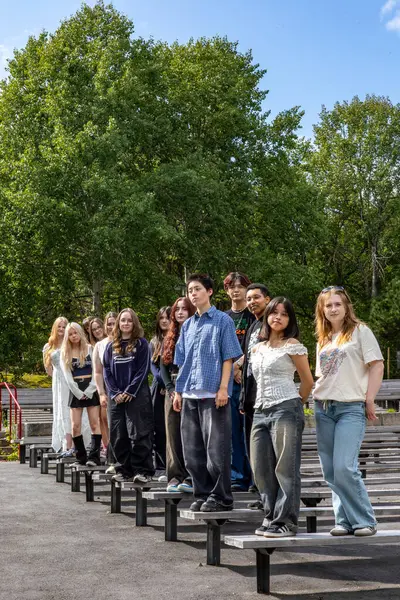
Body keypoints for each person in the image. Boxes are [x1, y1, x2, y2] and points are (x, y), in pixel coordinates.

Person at [313, 286, 384, 537]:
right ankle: (343, 520)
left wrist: (370, 399)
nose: (333, 308)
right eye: (328, 305)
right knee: (331, 470)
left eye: (337, 304)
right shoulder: (323, 337)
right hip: (322, 407)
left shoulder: (360, 331)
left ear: (346, 307)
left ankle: (365, 519)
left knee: (345, 466)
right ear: (322, 309)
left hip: (350, 408)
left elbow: (376, 365)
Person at [173, 274, 242, 512]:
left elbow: (229, 357)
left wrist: (224, 388)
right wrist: (178, 392)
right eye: (190, 290)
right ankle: (201, 493)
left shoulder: (223, 321)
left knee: (216, 450)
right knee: (192, 451)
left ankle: (221, 497)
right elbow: (181, 362)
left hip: (214, 395)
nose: (193, 293)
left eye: (198, 289)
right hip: (190, 394)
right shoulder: (188, 325)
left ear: (210, 292)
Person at [250, 297, 313, 538]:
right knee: (261, 468)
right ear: (266, 315)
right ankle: (270, 515)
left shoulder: (293, 345)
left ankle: (286, 520)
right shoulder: (257, 348)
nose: (278, 317)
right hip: (260, 410)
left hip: (286, 407)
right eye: (274, 312)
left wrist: (296, 404)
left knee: (285, 467)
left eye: (284, 314)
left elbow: (307, 381)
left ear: (290, 319)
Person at [103, 308, 154, 483]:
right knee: (118, 435)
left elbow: (142, 370)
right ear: (118, 323)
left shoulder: (141, 344)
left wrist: (130, 391)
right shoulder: (111, 346)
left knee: (139, 433)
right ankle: (123, 469)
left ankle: (142, 471)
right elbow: (106, 371)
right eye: (123, 320)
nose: (125, 323)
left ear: (134, 323)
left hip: (136, 396)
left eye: (129, 320)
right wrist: (115, 393)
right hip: (117, 398)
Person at [160, 297, 195, 493]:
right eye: (177, 310)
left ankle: (191, 476)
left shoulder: (196, 332)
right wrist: (170, 388)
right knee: (172, 434)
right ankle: (174, 476)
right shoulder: (170, 336)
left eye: (184, 309)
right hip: (172, 388)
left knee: (190, 434)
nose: (180, 312)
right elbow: (163, 366)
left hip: (191, 388)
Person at [224, 271, 255, 491]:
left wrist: (239, 366)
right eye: (231, 286)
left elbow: (256, 344)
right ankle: (238, 476)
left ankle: (255, 477)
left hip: (250, 378)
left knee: (251, 429)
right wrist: (231, 368)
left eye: (240, 286)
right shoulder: (224, 318)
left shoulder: (253, 315)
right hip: (229, 379)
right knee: (233, 429)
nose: (236, 290)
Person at [60, 323, 102, 466]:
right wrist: (78, 393)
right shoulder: (65, 353)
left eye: (76, 333)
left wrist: (90, 390)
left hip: (90, 389)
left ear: (80, 333)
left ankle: (94, 457)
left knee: (94, 423)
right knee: (75, 426)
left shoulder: (90, 349)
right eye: (70, 334)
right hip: (75, 390)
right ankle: (80, 457)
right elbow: (67, 377)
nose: (74, 336)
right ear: (68, 336)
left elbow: (97, 371)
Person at [239, 283, 271, 458]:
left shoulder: (273, 323)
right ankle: (256, 482)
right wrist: (243, 396)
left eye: (256, 297)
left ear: (267, 299)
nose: (252, 302)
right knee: (252, 442)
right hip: (250, 394)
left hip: (267, 394)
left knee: (265, 444)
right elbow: (247, 362)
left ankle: (266, 485)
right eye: (248, 299)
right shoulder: (252, 326)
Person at [43, 317, 72, 454]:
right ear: (55, 328)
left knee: (72, 410)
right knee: (61, 410)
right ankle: (64, 442)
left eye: (64, 326)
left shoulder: (70, 343)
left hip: (71, 379)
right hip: (58, 381)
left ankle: (74, 443)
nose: (61, 329)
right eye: (59, 326)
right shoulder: (48, 347)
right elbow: (48, 370)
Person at [149, 307, 171, 476]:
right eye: (161, 317)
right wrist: (164, 383)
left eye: (167, 317)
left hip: (175, 386)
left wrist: (170, 384)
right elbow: (153, 368)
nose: (164, 320)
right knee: (159, 427)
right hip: (158, 388)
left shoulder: (177, 338)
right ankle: (161, 465)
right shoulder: (154, 341)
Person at [89, 316, 111, 462]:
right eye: (93, 329)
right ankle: (106, 446)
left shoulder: (110, 342)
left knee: (107, 417)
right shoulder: (94, 346)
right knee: (102, 418)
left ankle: (111, 446)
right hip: (99, 384)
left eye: (99, 327)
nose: (97, 331)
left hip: (111, 383)